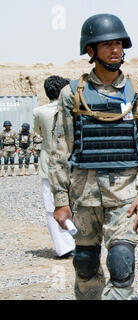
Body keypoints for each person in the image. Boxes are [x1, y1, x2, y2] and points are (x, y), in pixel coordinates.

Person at [49, 13, 138, 300]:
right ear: (90, 51)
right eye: (107, 44)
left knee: (121, 260)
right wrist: (61, 202)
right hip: (83, 196)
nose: (115, 50)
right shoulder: (72, 95)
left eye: (119, 44)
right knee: (85, 264)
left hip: (126, 195)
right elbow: (60, 151)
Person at [33, 75, 75, 259]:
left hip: (48, 164)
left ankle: (63, 248)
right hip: (71, 163)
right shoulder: (71, 108)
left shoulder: (39, 112)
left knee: (51, 208)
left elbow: (39, 132)